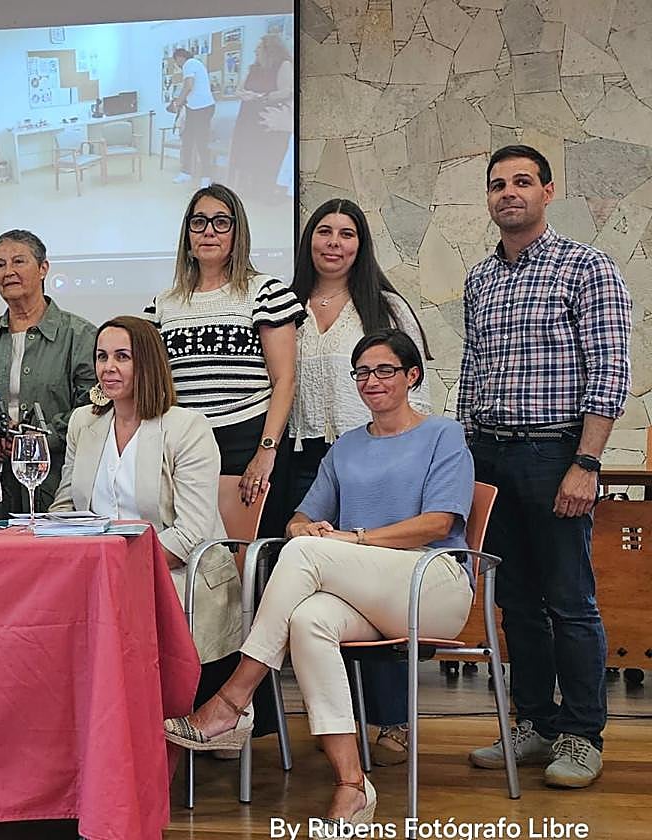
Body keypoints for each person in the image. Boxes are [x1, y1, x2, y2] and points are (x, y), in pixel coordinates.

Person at [165, 329, 475, 831]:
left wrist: (352, 539)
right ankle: (352, 784)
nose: (372, 381)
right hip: (365, 593)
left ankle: (233, 699)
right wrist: (304, 529)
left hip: (431, 583)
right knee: (308, 619)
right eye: (362, 372)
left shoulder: (443, 434)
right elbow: (299, 520)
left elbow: (439, 523)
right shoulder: (347, 447)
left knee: (308, 555)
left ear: (412, 376)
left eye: (385, 370)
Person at [461, 145, 631, 789]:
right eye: (498, 184)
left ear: (547, 191)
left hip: (555, 454)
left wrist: (586, 462)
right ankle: (534, 723)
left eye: (523, 181)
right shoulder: (480, 279)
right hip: (490, 455)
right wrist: (464, 458)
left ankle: (582, 736)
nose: (509, 192)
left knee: (570, 601)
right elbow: (473, 371)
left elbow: (609, 370)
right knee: (516, 604)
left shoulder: (586, 268)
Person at [286, 199, 433, 765]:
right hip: (303, 457)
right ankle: (338, 721)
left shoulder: (386, 306)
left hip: (375, 458)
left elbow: (417, 390)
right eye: (324, 231)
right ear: (309, 241)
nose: (334, 243)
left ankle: (393, 718)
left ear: (360, 244)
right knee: (320, 589)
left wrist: (408, 457)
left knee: (374, 581)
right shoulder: (287, 306)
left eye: (347, 234)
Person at [50, 316, 241, 691]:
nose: (108, 367)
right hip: (98, 571)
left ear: (148, 363)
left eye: (122, 356)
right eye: (102, 356)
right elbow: (65, 507)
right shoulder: (82, 423)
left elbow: (191, 534)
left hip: (172, 574)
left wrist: (118, 566)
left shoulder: (187, 427)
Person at [144, 184, 303, 529]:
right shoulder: (162, 304)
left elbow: (285, 380)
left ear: (237, 232)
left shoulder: (266, 292)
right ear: (187, 233)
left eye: (221, 222)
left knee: (246, 551)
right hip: (185, 445)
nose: (209, 232)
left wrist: (266, 452)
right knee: (191, 543)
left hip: (248, 440)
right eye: (198, 222)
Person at [0, 230, 96, 514]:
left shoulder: (80, 336)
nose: (8, 272)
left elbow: (93, 408)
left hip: (60, 483)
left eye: (18, 261)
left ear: (43, 268)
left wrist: (34, 441)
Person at [228, 30, 293, 200]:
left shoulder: (284, 65)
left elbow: (287, 91)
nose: (255, 51)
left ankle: (266, 192)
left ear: (270, 49)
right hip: (248, 117)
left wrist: (261, 97)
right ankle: (248, 190)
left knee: (266, 157)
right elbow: (240, 89)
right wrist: (243, 94)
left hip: (269, 118)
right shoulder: (254, 68)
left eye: (258, 48)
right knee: (246, 154)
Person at [169, 47, 216, 188]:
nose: (177, 65)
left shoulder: (189, 63)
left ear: (180, 57)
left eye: (176, 61)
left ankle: (206, 177)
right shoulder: (195, 64)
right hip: (193, 108)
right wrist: (181, 101)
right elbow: (191, 89)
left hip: (202, 108)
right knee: (187, 140)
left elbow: (188, 85)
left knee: (201, 142)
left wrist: (177, 102)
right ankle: (186, 172)